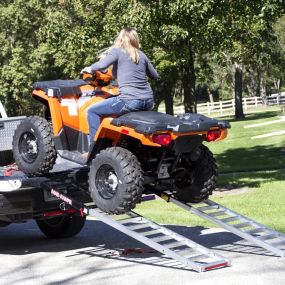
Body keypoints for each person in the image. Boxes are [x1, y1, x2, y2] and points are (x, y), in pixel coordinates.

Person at [81, 27, 158, 146]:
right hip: (148, 101)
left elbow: (102, 65)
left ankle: (94, 147)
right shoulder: (142, 55)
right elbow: (155, 75)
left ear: (120, 38)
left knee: (92, 111)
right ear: (135, 39)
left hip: (130, 100)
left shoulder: (117, 51)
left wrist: (89, 68)